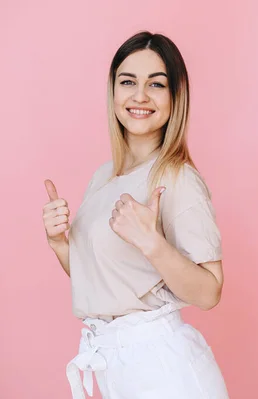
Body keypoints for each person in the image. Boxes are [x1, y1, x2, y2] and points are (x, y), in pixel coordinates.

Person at [41, 31, 230, 399]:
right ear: (113, 91)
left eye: (156, 84)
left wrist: (151, 242)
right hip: (116, 368)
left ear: (175, 96)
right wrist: (58, 244)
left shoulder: (177, 177)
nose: (140, 95)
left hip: (163, 371)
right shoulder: (103, 176)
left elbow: (209, 292)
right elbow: (104, 283)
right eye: (128, 82)